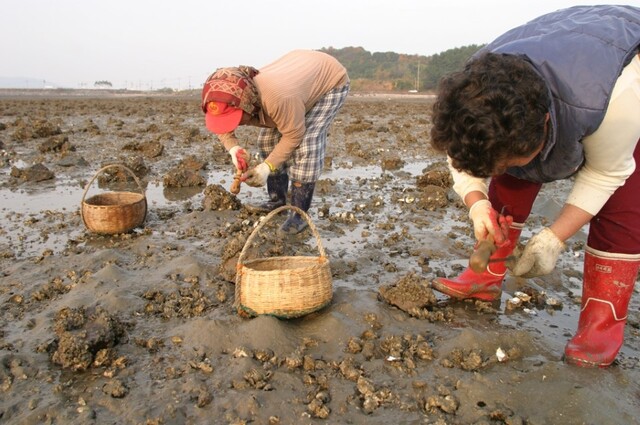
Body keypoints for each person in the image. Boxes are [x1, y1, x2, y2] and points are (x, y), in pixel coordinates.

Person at [429, 5, 640, 368]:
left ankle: (600, 326)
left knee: (624, 204)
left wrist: (555, 236)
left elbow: (607, 173)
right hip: (559, 55)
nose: (504, 169)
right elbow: (463, 153)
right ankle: (486, 275)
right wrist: (478, 203)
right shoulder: (471, 92)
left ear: (545, 121)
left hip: (620, 68)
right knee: (508, 165)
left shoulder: (617, 97)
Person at [201, 49, 350, 234]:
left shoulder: (277, 99)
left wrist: (266, 168)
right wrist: (234, 148)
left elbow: (294, 135)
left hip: (329, 81)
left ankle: (299, 214)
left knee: (307, 144)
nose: (236, 123)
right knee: (267, 141)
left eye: (236, 117)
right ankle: (277, 200)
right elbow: (221, 127)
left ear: (247, 103)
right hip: (297, 79)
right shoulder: (227, 95)